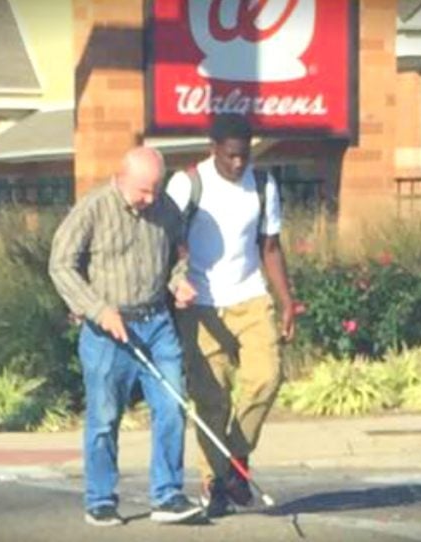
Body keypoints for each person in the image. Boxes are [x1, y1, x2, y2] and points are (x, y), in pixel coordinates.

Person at [49, 146, 202, 526]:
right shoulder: (93, 208)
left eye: (156, 189)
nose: (151, 199)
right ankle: (100, 498)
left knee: (171, 406)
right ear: (121, 177)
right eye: (143, 191)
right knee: (104, 415)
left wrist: (179, 283)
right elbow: (61, 265)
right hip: (107, 330)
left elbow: (176, 256)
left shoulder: (165, 209)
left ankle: (167, 494)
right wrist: (98, 309)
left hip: (157, 322)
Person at [164, 114, 296, 517]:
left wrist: (288, 300)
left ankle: (235, 462)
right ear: (214, 147)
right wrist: (173, 287)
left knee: (267, 378)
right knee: (212, 398)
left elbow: (269, 247)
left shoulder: (263, 184)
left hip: (252, 296)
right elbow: (164, 243)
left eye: (244, 156)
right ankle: (212, 480)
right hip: (201, 302)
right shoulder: (187, 184)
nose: (239, 164)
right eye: (231, 156)